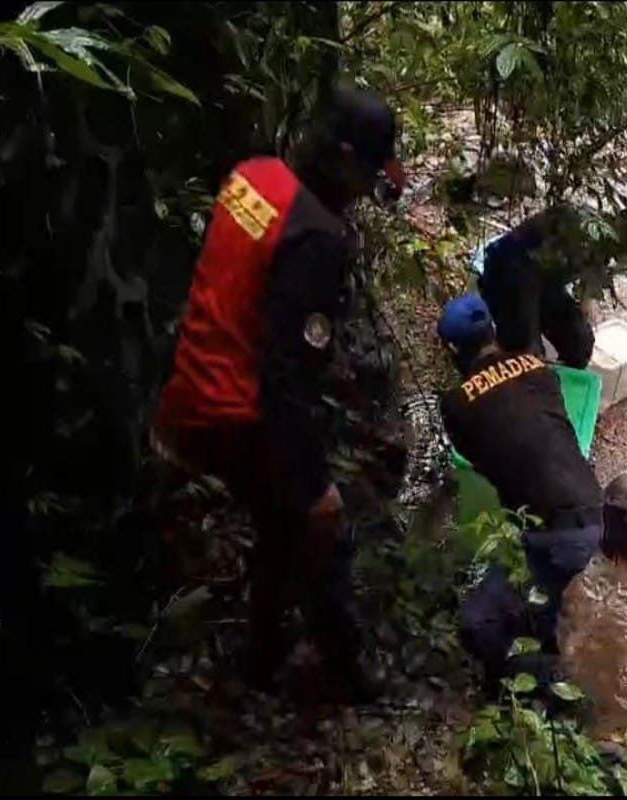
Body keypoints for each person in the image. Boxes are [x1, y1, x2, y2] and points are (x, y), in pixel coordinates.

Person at [152, 84, 408, 702]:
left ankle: (263, 652)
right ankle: (346, 669)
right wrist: (315, 482)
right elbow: (284, 376)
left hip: (188, 390)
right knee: (320, 525)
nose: (366, 190)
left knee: (278, 525)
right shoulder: (317, 238)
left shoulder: (253, 173)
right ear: (345, 161)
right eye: (367, 174)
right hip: (235, 413)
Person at [436, 294, 604, 693]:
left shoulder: (456, 404)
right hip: (592, 509)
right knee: (538, 592)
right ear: (492, 332)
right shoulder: (538, 368)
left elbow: (477, 460)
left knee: (477, 623)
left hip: (555, 535)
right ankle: (545, 629)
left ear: (453, 351)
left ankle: (516, 691)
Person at [477, 202, 627, 370]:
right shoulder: (580, 230)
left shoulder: (605, 247)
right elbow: (528, 275)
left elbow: (583, 286)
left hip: (545, 284)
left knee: (580, 345)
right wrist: (531, 337)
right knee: (528, 357)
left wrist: (585, 306)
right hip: (509, 276)